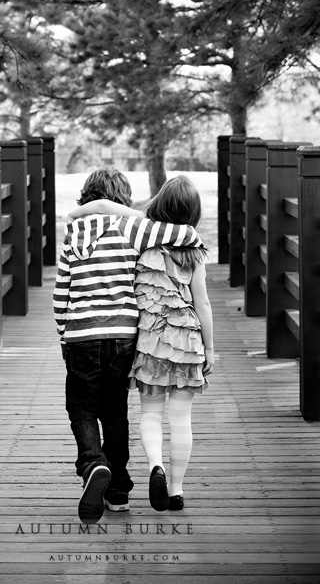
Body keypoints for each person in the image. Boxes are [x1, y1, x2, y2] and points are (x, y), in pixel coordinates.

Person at [54, 167, 205, 525]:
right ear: (123, 198)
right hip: (124, 332)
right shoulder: (131, 229)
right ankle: (117, 491)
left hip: (81, 334)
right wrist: (134, 213)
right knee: (115, 409)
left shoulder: (72, 233)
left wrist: (64, 333)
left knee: (82, 407)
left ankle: (93, 463)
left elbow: (62, 291)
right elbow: (184, 232)